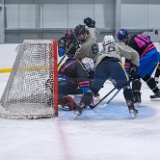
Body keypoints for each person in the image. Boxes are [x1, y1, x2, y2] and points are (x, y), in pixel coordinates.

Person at [75, 35, 140, 119]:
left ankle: (80, 107)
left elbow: (103, 71)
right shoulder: (117, 45)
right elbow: (134, 54)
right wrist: (134, 68)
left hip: (100, 67)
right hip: (115, 64)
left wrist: (98, 82)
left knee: (93, 90)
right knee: (126, 86)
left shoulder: (102, 51)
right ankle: (131, 108)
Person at [117, 29, 160, 100]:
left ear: (125, 37)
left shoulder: (130, 44)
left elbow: (130, 59)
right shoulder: (137, 35)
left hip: (148, 57)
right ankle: (157, 92)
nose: (122, 42)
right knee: (145, 75)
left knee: (136, 75)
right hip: (156, 55)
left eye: (122, 40)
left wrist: (127, 72)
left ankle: (136, 96)